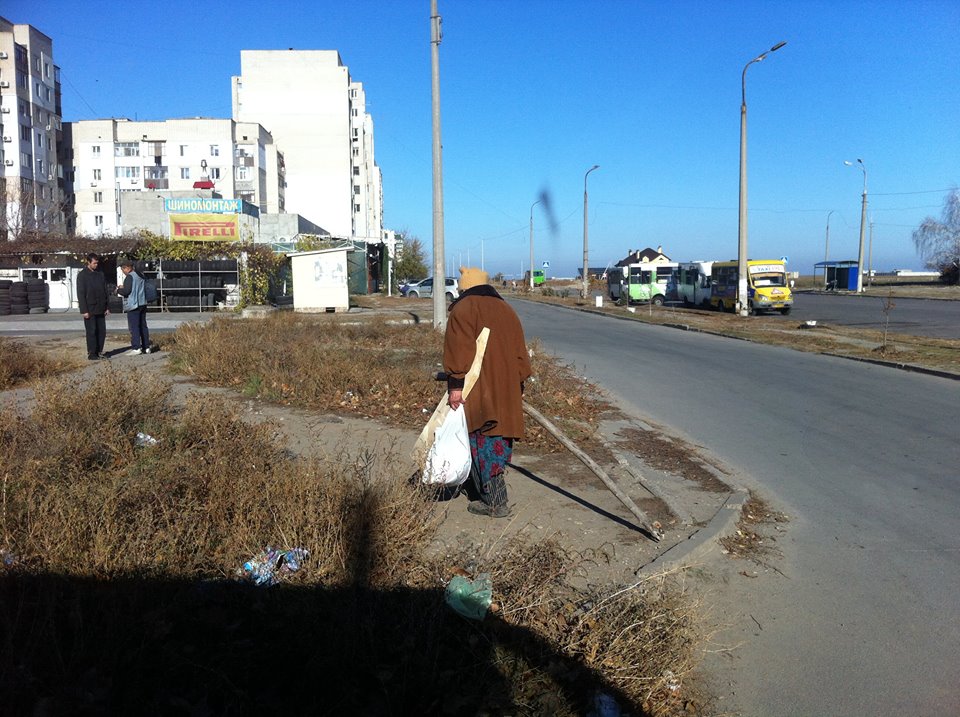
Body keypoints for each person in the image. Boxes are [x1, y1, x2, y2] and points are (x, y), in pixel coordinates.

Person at [443, 267, 532, 518]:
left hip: (478, 389)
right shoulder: (506, 309)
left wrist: (455, 388)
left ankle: (494, 501)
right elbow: (521, 357)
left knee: (481, 440)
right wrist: (516, 386)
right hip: (508, 389)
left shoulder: (464, 309)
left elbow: (457, 351)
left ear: (465, 285)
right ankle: (483, 490)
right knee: (499, 438)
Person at [76, 252, 110, 360]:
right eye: (94, 263)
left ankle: (99, 351)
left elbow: (105, 290)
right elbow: (80, 293)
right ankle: (92, 353)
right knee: (91, 331)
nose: (96, 265)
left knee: (102, 331)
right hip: (90, 308)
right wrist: (84, 310)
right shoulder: (82, 275)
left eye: (97, 263)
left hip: (101, 307)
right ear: (88, 262)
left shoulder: (100, 274)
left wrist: (107, 306)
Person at [116, 259, 152, 355]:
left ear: (127, 268)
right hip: (142, 303)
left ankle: (136, 347)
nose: (123, 272)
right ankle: (146, 347)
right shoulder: (141, 275)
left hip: (133, 304)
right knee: (143, 326)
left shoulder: (130, 277)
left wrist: (118, 290)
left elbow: (127, 291)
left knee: (134, 326)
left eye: (123, 269)